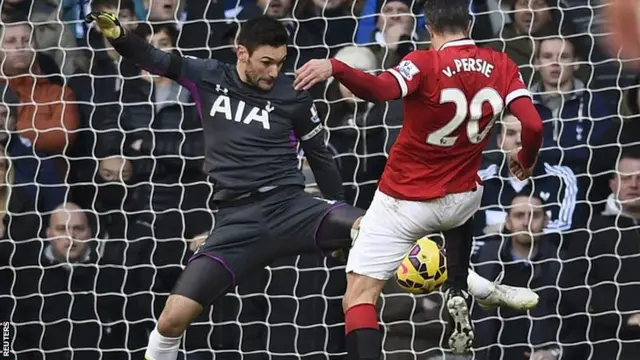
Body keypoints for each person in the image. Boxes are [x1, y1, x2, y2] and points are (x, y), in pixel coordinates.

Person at [86, 10, 539, 360]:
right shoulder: (207, 77)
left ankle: (478, 287)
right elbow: (153, 58)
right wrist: (119, 36)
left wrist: (336, 209)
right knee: (172, 318)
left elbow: (321, 155)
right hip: (236, 221)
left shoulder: (291, 94)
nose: (273, 72)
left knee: (379, 229)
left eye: (280, 63)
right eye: (266, 62)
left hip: (294, 206)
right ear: (241, 53)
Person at [294, 0, 544, 356]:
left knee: (359, 297)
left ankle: (461, 288)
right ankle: (460, 287)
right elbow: (533, 124)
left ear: (428, 28)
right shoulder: (501, 64)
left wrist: (336, 66)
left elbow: (378, 91)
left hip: (404, 201)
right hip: (461, 199)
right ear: (470, 24)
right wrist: (526, 158)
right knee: (463, 200)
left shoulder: (423, 62)